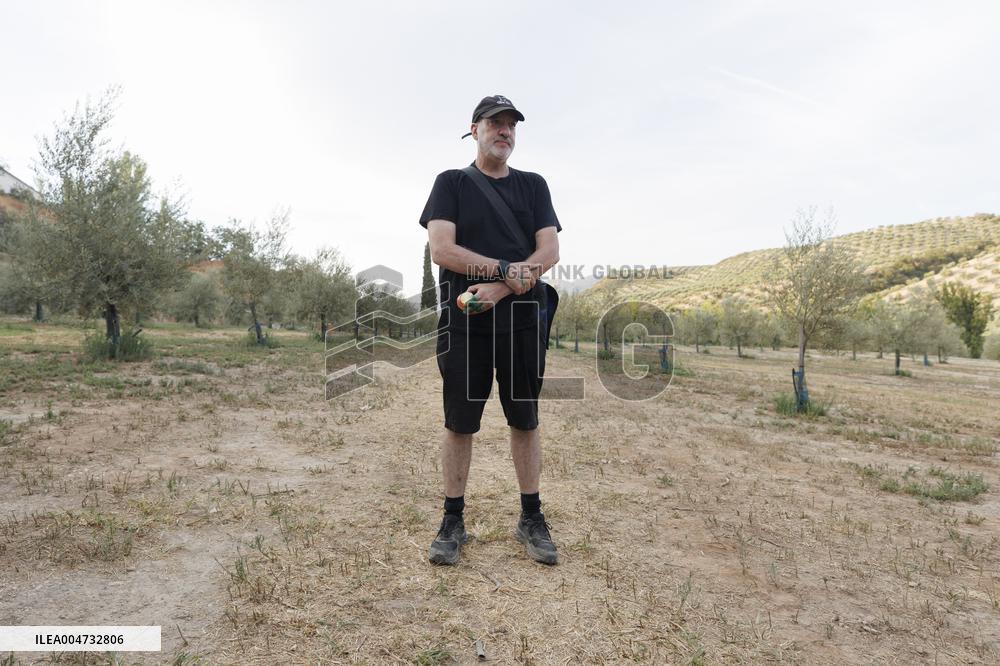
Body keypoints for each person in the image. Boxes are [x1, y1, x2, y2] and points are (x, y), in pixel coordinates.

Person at [418, 94, 562, 565]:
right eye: (495, 123)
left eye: (511, 125)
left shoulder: (534, 186)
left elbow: (548, 253)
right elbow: (442, 249)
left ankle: (531, 518)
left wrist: (502, 289)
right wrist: (505, 272)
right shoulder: (452, 183)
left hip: (522, 321)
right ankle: (453, 521)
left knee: (525, 418)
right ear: (474, 129)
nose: (504, 131)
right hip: (465, 320)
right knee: (460, 421)